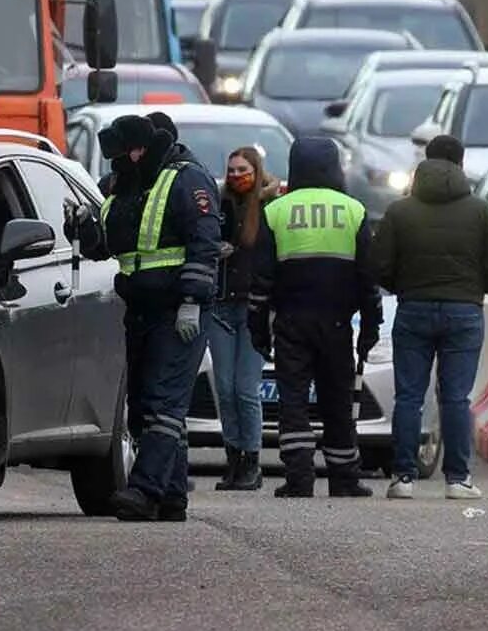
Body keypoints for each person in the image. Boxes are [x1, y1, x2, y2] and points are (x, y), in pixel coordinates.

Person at [73, 114, 222, 521]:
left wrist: (192, 299)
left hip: (179, 310)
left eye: (122, 156)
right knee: (143, 406)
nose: (115, 165)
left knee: (163, 401)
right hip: (140, 309)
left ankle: (144, 489)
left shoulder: (186, 179)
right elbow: (105, 246)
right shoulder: (127, 185)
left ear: (140, 149)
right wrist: (86, 226)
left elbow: (204, 242)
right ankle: (171, 498)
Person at [370, 134, 488, 501]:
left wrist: (405, 285)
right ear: (461, 165)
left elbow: (379, 264)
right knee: (456, 397)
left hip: (413, 308)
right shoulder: (481, 211)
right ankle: (457, 479)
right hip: (464, 311)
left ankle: (403, 477)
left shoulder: (401, 211)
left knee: (409, 397)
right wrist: (475, 287)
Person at [249, 136, 381, 498]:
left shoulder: (276, 210)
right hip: (338, 323)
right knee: (337, 399)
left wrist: (258, 329)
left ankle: (299, 478)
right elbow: (368, 280)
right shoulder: (352, 210)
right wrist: (369, 329)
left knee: (293, 401)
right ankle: (344, 480)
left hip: (291, 321)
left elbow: (260, 281)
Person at [207, 146, 276, 491]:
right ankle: (232, 458)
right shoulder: (218, 203)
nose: (236, 176)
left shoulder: (269, 206)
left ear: (257, 170)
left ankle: (251, 460)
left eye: (243, 170)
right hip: (220, 304)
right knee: (225, 388)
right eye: (231, 170)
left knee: (246, 389)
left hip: (252, 308)